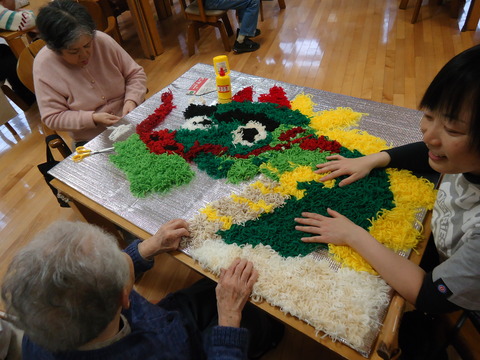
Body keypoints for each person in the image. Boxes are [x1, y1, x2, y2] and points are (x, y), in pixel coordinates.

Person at [294, 44, 480, 359]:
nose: (428, 135)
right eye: (429, 114)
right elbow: (431, 153)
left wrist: (354, 235)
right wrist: (374, 159)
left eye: (451, 128)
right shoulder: (462, 158)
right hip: (446, 251)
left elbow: (431, 296)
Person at [1, 219, 284, 359]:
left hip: (165, 321)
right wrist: (229, 318)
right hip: (188, 348)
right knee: (259, 316)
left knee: (212, 288)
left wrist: (148, 247)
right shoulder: (161, 351)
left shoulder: (40, 329)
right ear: (125, 298)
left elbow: (96, 278)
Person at [33, 0, 147, 146]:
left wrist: (132, 100)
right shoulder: (44, 66)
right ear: (55, 49)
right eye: (74, 51)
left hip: (133, 119)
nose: (85, 55)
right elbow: (53, 117)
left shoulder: (102, 41)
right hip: (93, 139)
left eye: (87, 45)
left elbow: (135, 74)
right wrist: (93, 118)